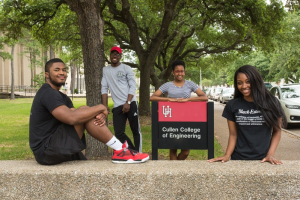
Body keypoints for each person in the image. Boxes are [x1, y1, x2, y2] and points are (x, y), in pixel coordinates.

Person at [29, 58, 149, 165]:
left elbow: (80, 115)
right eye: (56, 70)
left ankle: (120, 150)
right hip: (46, 151)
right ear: (47, 74)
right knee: (84, 112)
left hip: (54, 145)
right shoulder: (48, 93)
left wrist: (99, 114)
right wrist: (101, 107)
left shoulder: (62, 97)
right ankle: (120, 150)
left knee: (84, 110)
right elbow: (72, 118)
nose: (62, 73)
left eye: (64, 70)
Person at [208, 65, 284, 165]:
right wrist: (227, 155)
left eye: (248, 81)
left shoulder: (272, 103)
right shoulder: (232, 105)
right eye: (240, 83)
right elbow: (233, 134)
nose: (244, 86)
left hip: (263, 160)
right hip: (238, 159)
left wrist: (270, 155)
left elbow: (277, 131)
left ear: (256, 81)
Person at [149, 60, 208, 160]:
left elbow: (204, 97)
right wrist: (168, 99)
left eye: (182, 71)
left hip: (187, 118)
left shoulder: (190, 84)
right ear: (173, 72)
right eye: (177, 71)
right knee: (173, 147)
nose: (179, 73)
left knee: (185, 151)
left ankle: (176, 168)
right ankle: (175, 172)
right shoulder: (168, 85)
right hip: (172, 118)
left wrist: (188, 99)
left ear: (184, 72)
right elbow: (152, 97)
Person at [101, 46, 142, 152]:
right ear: (110, 56)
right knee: (119, 133)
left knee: (135, 130)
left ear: (120, 56)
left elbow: (133, 86)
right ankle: (133, 151)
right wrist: (104, 105)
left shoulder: (126, 68)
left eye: (117, 54)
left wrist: (128, 102)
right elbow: (104, 88)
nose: (115, 55)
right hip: (117, 105)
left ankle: (139, 152)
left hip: (131, 103)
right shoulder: (106, 70)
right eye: (113, 53)